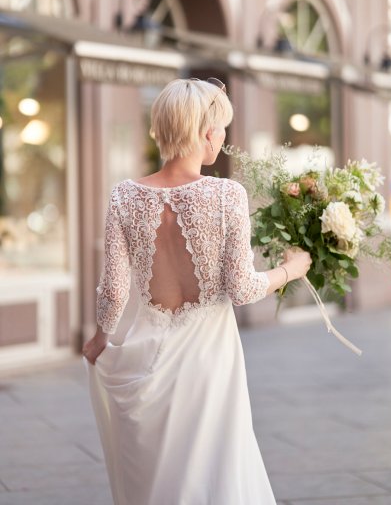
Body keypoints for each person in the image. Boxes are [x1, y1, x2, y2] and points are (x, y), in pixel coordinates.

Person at [82, 78, 311, 505]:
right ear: (206, 133)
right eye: (221, 129)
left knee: (157, 480)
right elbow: (241, 288)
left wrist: (100, 338)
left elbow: (113, 290)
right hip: (208, 358)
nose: (222, 140)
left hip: (145, 352)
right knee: (213, 471)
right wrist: (290, 269)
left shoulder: (124, 196)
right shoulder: (227, 195)